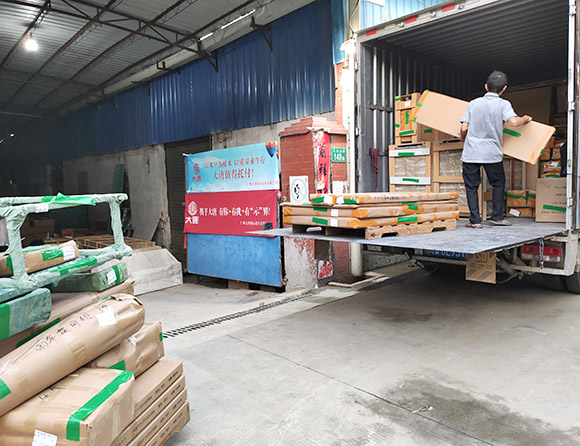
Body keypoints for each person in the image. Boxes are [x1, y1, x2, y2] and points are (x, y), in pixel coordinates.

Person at [459, 70, 532, 228]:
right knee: (498, 184)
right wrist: (525, 119)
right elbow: (513, 122)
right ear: (504, 89)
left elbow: (464, 128)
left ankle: (475, 221)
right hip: (491, 153)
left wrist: (464, 139)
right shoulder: (503, 104)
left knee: (471, 187)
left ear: (486, 86)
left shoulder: (473, 103)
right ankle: (497, 217)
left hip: (471, 152)